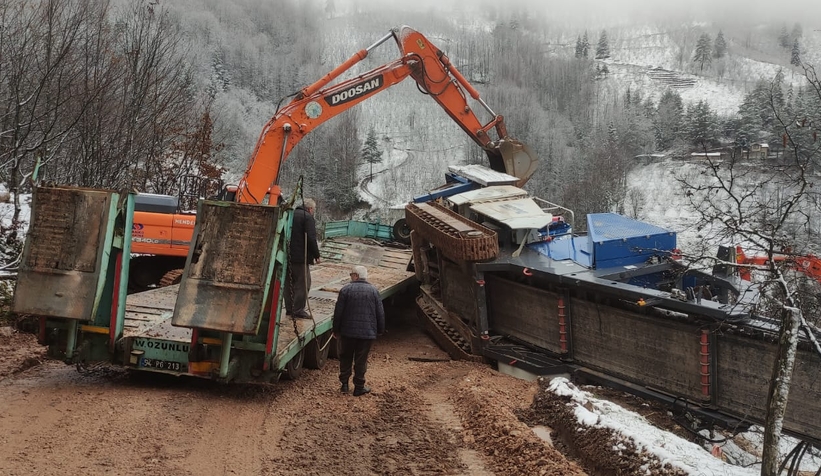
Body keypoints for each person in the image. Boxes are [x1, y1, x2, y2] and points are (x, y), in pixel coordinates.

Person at [333, 265, 385, 396]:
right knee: (361, 360)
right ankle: (359, 387)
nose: (350, 277)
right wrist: (380, 330)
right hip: (366, 333)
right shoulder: (374, 291)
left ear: (356, 275)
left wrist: (336, 330)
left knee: (345, 357)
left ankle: (344, 384)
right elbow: (380, 313)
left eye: (351, 275)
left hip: (347, 332)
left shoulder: (345, 290)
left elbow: (338, 313)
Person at [285, 198, 320, 318]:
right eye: (313, 210)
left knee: (289, 282)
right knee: (303, 283)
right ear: (310, 209)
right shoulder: (307, 217)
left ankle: (289, 308)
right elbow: (311, 238)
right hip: (301, 257)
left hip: (287, 255)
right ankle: (298, 309)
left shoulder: (291, 214)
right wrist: (317, 255)